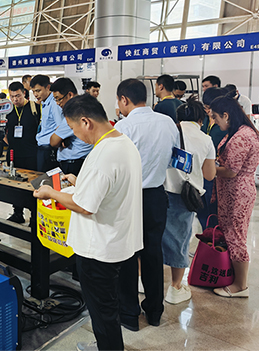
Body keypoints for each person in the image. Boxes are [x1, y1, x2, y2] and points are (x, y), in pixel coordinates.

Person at [33, 95, 142, 351]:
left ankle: (108, 347)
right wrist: (79, 182)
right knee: (108, 305)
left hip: (99, 249)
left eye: (73, 128)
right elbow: (110, 188)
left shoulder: (103, 154)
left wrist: (51, 193)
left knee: (102, 309)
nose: (74, 134)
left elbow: (84, 206)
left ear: (86, 122)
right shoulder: (123, 142)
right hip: (119, 240)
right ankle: (105, 343)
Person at [115, 78, 179, 330]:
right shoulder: (167, 123)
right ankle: (154, 312)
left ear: (124, 99)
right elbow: (175, 157)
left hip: (129, 197)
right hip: (156, 196)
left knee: (128, 255)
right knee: (153, 253)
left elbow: (117, 165)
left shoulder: (124, 126)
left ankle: (129, 315)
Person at [162, 98, 216, 305]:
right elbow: (209, 175)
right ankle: (175, 288)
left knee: (151, 234)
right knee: (180, 239)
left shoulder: (169, 133)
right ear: (201, 119)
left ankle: (141, 280)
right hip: (185, 196)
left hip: (160, 191)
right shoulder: (205, 139)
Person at [210, 94, 259, 298]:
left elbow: (231, 171)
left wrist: (209, 168)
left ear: (226, 115)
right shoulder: (240, 131)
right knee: (231, 233)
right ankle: (233, 278)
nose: (214, 122)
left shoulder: (242, 136)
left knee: (235, 236)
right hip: (231, 190)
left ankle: (241, 286)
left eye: (216, 117)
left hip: (238, 192)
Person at [4, 81, 41, 223]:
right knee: (15, 185)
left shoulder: (35, 108)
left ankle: (34, 216)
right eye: (12, 96)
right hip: (14, 154)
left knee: (33, 185)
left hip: (31, 154)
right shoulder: (8, 110)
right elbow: (3, 131)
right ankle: (17, 213)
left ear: (24, 93)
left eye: (18, 96)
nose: (15, 99)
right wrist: (10, 143)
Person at [197, 87, 228, 229]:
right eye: (206, 107)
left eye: (211, 108)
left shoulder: (225, 123)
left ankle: (214, 236)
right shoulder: (202, 119)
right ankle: (206, 234)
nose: (208, 111)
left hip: (217, 171)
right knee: (201, 207)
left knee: (213, 208)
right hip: (201, 169)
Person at [50, 78, 92, 176]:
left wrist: (61, 136)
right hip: (85, 160)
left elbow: (53, 141)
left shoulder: (74, 113)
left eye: (59, 99)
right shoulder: (88, 106)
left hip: (73, 164)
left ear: (69, 95)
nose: (57, 103)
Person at [30, 75, 62, 172]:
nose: (35, 94)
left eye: (38, 91)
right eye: (33, 91)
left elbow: (60, 126)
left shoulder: (54, 103)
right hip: (43, 148)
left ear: (48, 87)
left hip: (49, 149)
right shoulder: (44, 103)